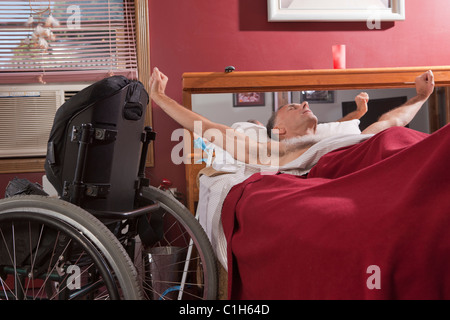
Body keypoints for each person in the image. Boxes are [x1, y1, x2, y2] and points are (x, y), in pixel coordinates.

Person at [149, 67, 435, 167]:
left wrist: (421, 97)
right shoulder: (272, 151)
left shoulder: (351, 139)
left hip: (403, 155)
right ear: (280, 130)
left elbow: (391, 123)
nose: (304, 104)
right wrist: (162, 98)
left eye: (301, 103)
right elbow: (211, 128)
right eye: (292, 107)